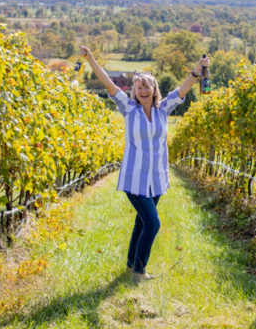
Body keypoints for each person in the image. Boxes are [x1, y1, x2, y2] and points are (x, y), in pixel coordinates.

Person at [80, 45, 211, 281]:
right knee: (153, 224)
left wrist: (198, 70)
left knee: (141, 223)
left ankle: (131, 265)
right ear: (134, 91)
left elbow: (183, 88)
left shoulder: (164, 109)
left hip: (157, 178)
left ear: (154, 89)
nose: (143, 90)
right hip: (134, 178)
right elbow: (109, 83)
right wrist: (90, 59)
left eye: (147, 86)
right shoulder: (128, 108)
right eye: (139, 87)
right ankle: (139, 273)